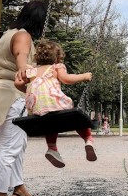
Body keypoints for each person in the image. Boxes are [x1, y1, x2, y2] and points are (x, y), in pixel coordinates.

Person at [0, 0, 47, 196]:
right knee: (10, 148)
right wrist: (27, 71)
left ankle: (18, 187)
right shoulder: (23, 36)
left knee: (18, 145)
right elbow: (21, 59)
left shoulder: (8, 33)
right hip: (12, 95)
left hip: (3, 93)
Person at [23, 40, 96, 168]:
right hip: (55, 104)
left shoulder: (32, 71)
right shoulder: (56, 67)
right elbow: (66, 79)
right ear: (57, 57)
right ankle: (88, 140)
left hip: (37, 109)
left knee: (50, 124)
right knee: (77, 119)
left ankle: (52, 148)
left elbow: (19, 84)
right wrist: (84, 76)